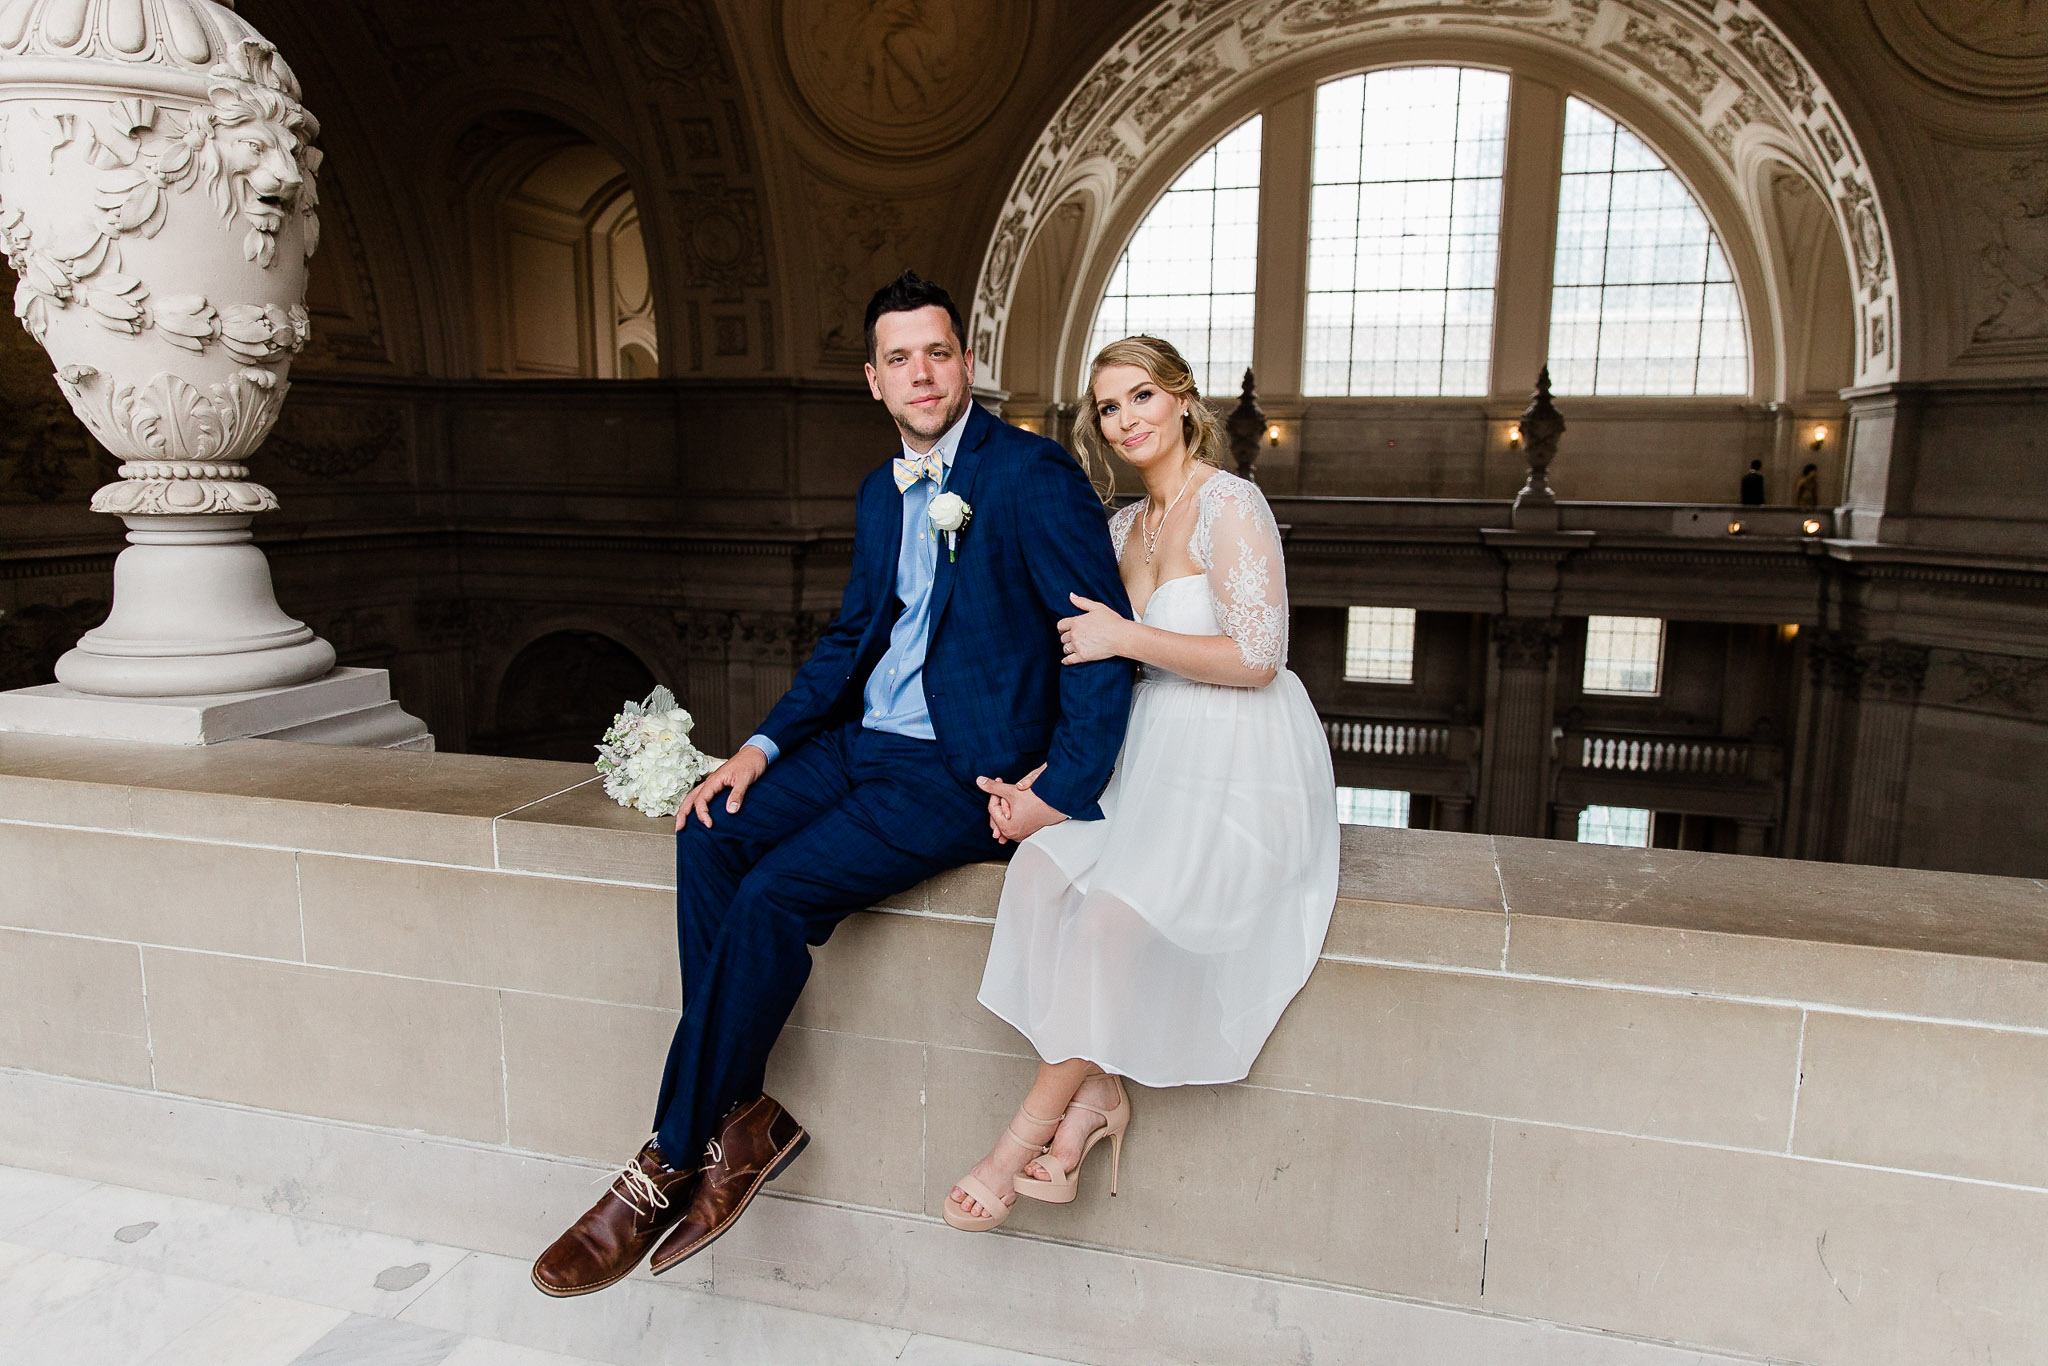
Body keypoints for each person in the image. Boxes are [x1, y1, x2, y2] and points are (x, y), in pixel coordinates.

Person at [531, 272, 1134, 1295]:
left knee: (774, 894)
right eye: (899, 358)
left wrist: (1057, 791)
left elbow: (1099, 646)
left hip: (958, 770)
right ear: (872, 379)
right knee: (711, 831)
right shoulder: (876, 491)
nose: (921, 372)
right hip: (860, 745)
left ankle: (665, 1159)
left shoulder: (1031, 475)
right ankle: (741, 1122)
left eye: (937, 352)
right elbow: (855, 634)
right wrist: (762, 746)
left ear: (967, 362)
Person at [943, 336, 1340, 1231]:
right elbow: (1106, 686)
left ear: (1184, 402)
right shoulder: (1120, 527)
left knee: (1116, 916)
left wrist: (1128, 638)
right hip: (1148, 752)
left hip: (1240, 758)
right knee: (1043, 876)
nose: (1126, 420)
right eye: (1108, 407)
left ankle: (1019, 1143)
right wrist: (1045, 778)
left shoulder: (1233, 505)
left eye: (1141, 397)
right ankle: (1100, 1094)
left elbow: (1258, 657)